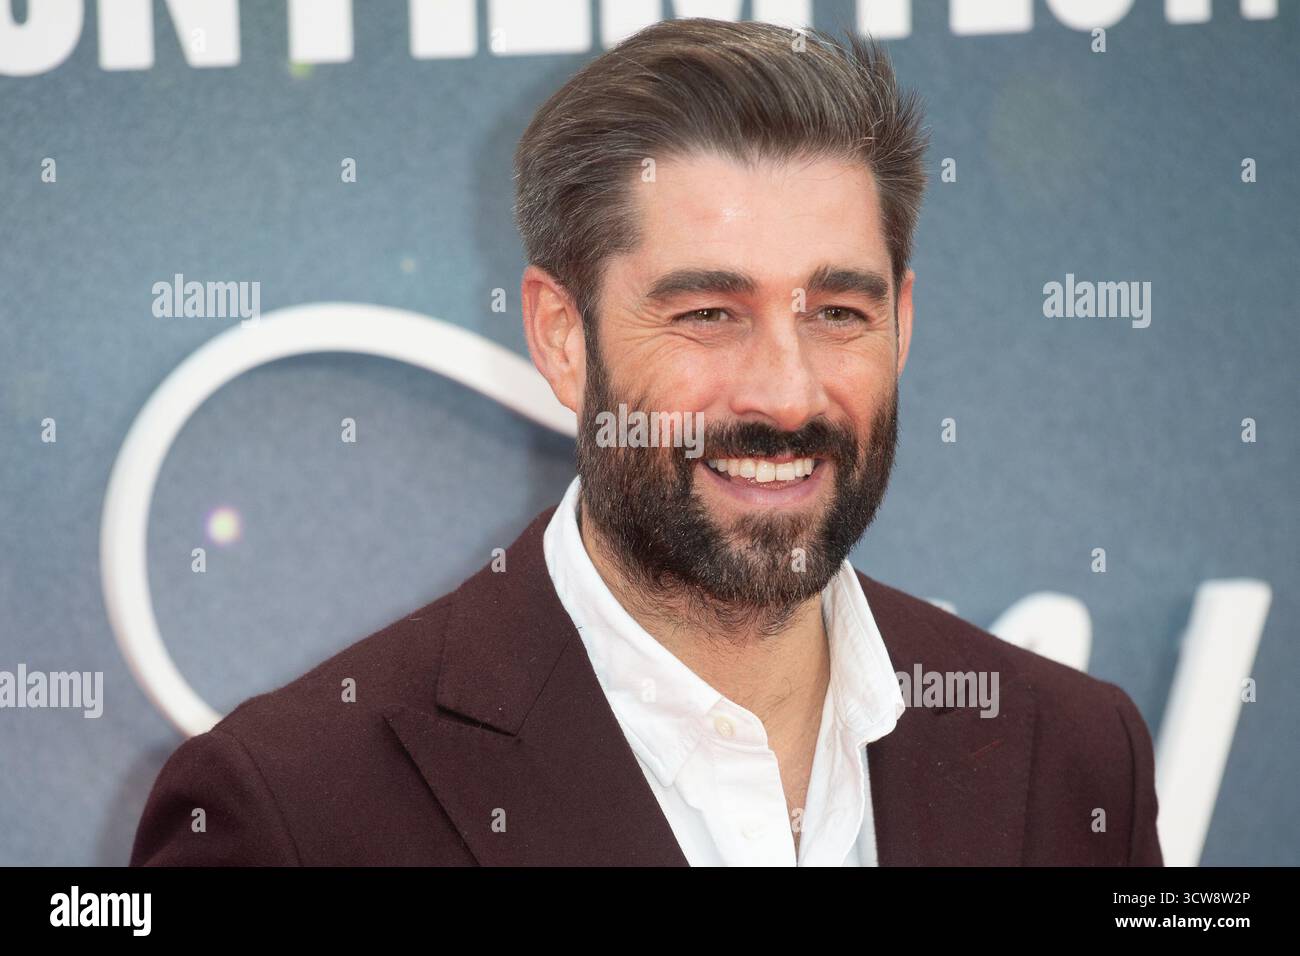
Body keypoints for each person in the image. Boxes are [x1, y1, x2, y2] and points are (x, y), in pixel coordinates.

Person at [131, 18, 1162, 867]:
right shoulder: (292, 815)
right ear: (561, 337)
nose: (786, 391)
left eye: (838, 311)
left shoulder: (1070, 757)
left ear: (903, 319)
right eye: (709, 312)